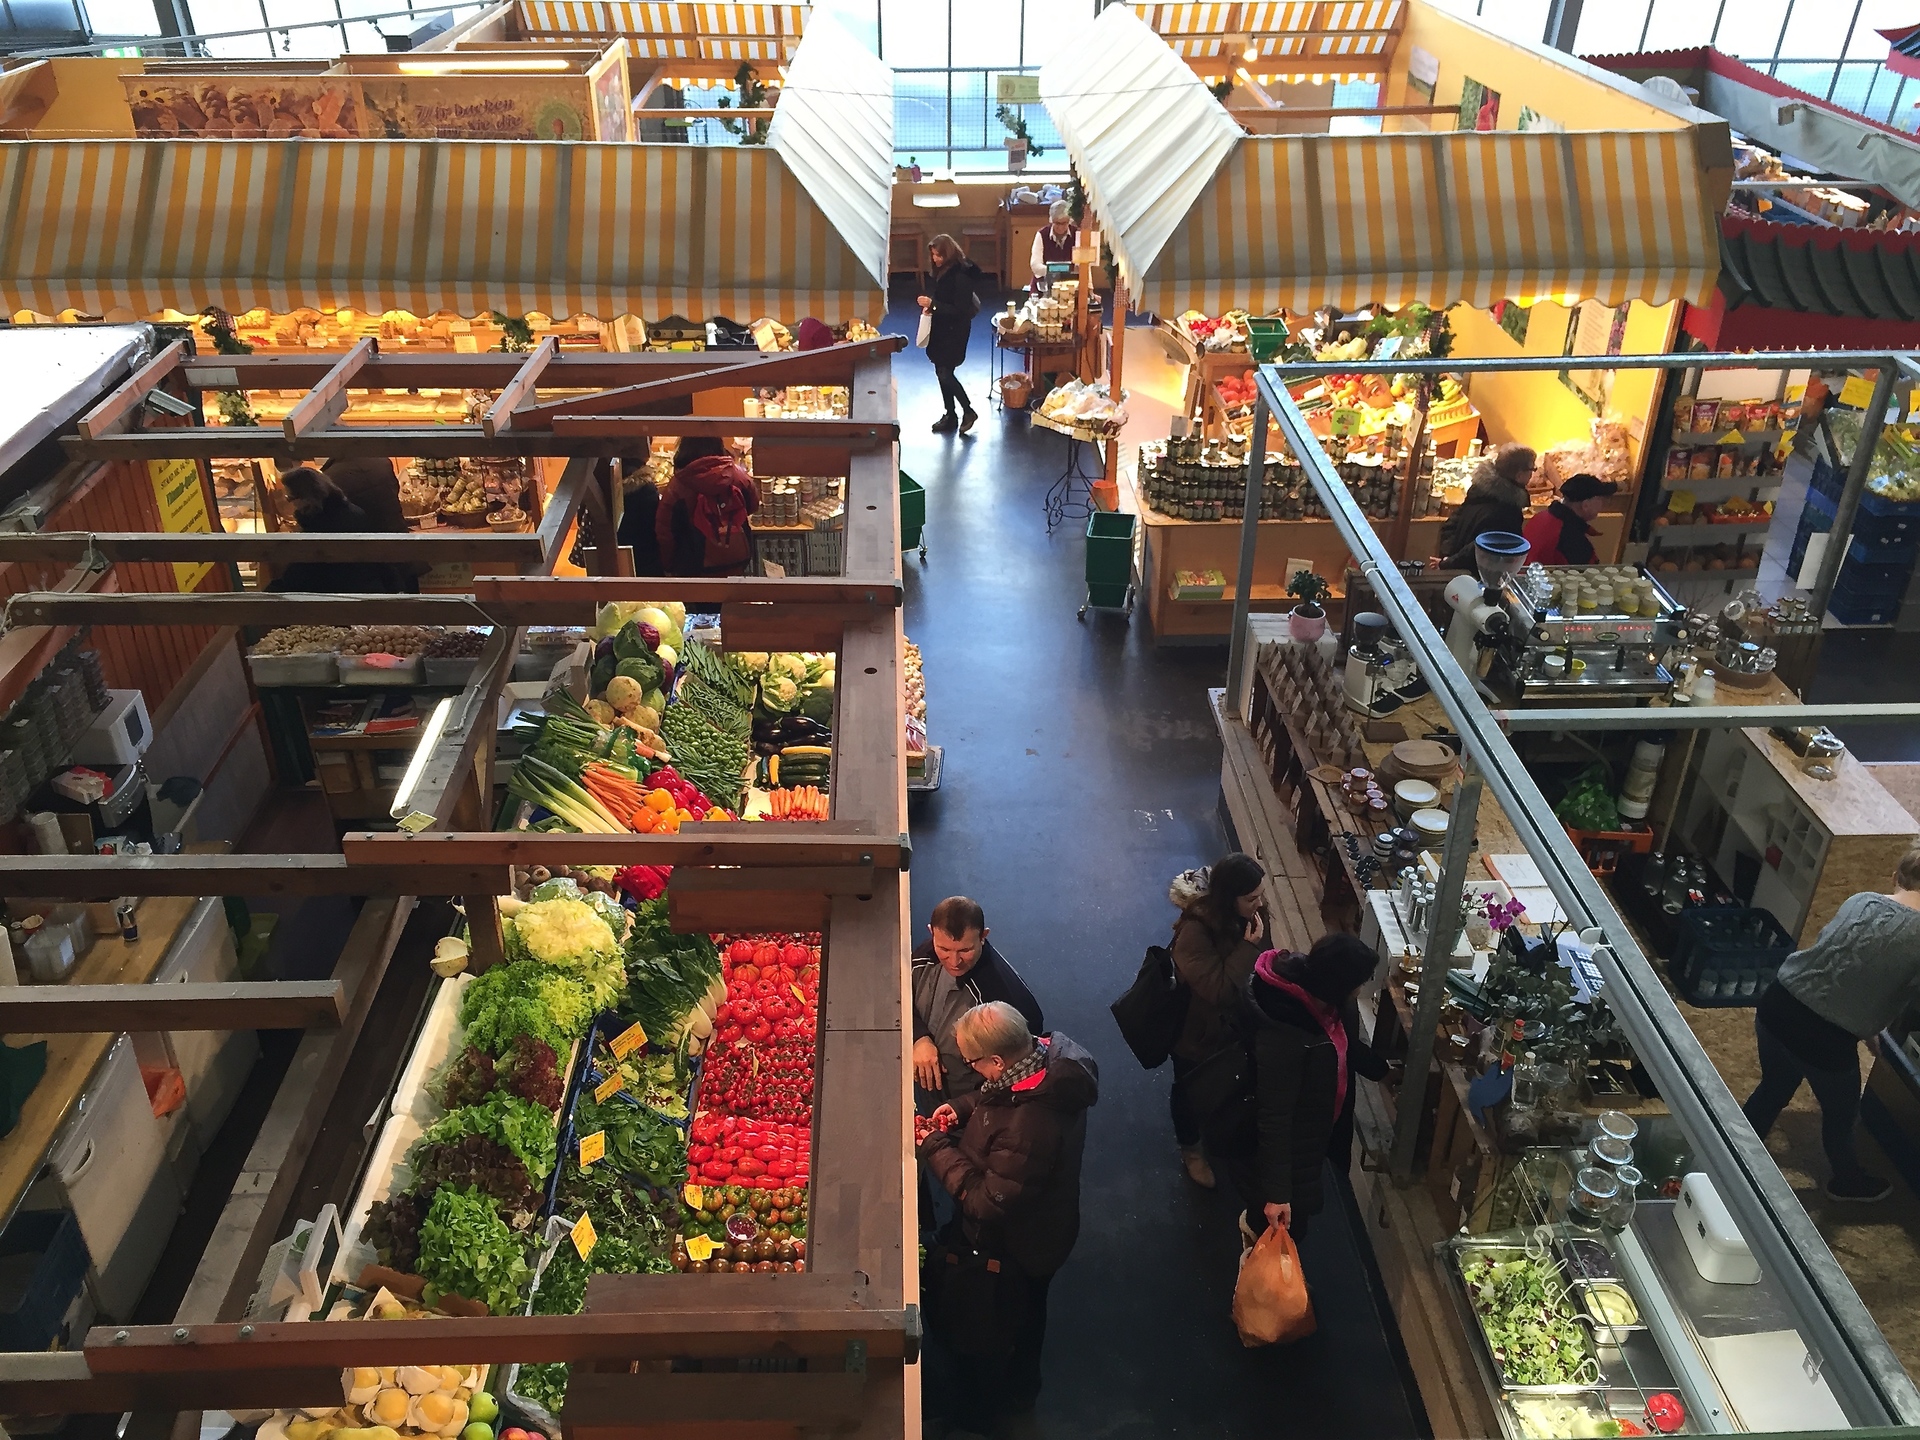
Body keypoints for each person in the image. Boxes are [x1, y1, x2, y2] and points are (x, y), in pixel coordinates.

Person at [919, 1002, 1099, 1425]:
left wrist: (935, 1146)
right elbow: (997, 1097)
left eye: (972, 1061)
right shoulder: (1039, 1060)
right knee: (1028, 1309)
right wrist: (963, 1108)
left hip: (1020, 1245)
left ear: (997, 1061)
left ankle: (1001, 1404)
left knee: (1008, 1320)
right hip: (1046, 1222)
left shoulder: (1029, 1128)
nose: (969, 1067)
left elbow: (986, 1202)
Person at [1742, 846, 1920, 1202]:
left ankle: (1733, 1151)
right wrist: (1867, 1024)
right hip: (1826, 1040)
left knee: (1774, 1085)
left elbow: (1843, 968)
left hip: (1778, 1002)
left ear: (1895, 877)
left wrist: (1866, 1025)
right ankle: (1847, 1181)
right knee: (1842, 1114)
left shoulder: (1862, 901)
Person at [1197, 933, 1387, 1244]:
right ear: (1339, 985)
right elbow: (1275, 1117)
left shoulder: (1324, 1001)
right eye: (1360, 982)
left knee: (1292, 1224)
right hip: (1284, 1144)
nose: (1361, 989)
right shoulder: (1285, 1037)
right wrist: (1277, 1194)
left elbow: (1343, 1043)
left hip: (1308, 1133)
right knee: (1280, 1230)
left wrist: (1381, 1071)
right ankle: (1257, 1252)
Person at [1167, 854, 1269, 1189]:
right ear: (1228, 898)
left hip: (1232, 1026)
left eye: (1261, 895)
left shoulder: (1244, 915)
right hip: (1195, 1032)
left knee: (1229, 1081)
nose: (1259, 904)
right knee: (1189, 1090)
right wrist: (1248, 949)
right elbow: (1219, 990)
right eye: (1251, 898)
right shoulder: (1194, 933)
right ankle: (1191, 1149)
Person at [911, 896, 1044, 1104]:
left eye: (965, 950)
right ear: (932, 933)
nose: (954, 961)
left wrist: (965, 1105)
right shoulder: (923, 956)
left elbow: (1021, 1068)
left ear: (983, 936)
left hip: (967, 1103)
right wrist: (919, 1038)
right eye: (944, 949)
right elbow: (899, 999)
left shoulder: (1004, 995)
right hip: (928, 1090)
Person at [269, 466, 408, 593]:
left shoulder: (319, 528)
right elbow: (378, 559)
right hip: (371, 589)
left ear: (306, 498)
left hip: (346, 598)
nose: (291, 504)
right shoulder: (352, 511)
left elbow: (298, 575)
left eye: (290, 498)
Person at [654, 436, 759, 577]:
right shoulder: (738, 476)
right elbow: (753, 505)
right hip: (735, 556)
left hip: (694, 567)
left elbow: (665, 533)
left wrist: (669, 566)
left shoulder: (677, 487)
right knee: (735, 590)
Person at [917, 233, 982, 436]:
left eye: (938, 255)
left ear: (948, 254)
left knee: (945, 373)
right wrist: (933, 306)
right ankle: (950, 414)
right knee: (942, 372)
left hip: (954, 332)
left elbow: (960, 310)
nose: (935, 259)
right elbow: (945, 298)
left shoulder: (961, 276)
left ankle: (968, 410)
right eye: (933, 255)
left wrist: (933, 305)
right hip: (944, 329)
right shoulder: (945, 271)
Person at [1438, 443, 1535, 568]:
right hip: (1478, 573)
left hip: (1459, 565)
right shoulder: (1508, 511)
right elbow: (1482, 548)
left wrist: (1447, 555)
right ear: (1519, 475)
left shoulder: (1479, 490)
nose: (1532, 474)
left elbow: (1451, 525)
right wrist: (1448, 563)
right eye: (1532, 469)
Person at [1523, 472, 1617, 566]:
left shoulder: (1541, 516)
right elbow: (1585, 572)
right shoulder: (1572, 539)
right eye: (1600, 500)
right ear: (1585, 505)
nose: (1602, 505)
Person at [320, 454, 408, 534]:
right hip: (399, 532)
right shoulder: (382, 461)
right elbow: (395, 490)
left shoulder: (330, 478)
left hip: (367, 540)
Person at [614, 456, 662, 576]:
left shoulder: (602, 486)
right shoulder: (646, 489)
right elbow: (654, 527)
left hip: (611, 557)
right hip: (645, 559)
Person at [1029, 200, 1077, 281]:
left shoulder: (1077, 234)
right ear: (1051, 220)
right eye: (1057, 223)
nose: (1060, 227)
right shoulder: (1042, 234)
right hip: (1044, 281)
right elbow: (1035, 265)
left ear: (1069, 221)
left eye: (1064, 223)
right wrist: (1056, 271)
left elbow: (1082, 265)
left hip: (1071, 282)